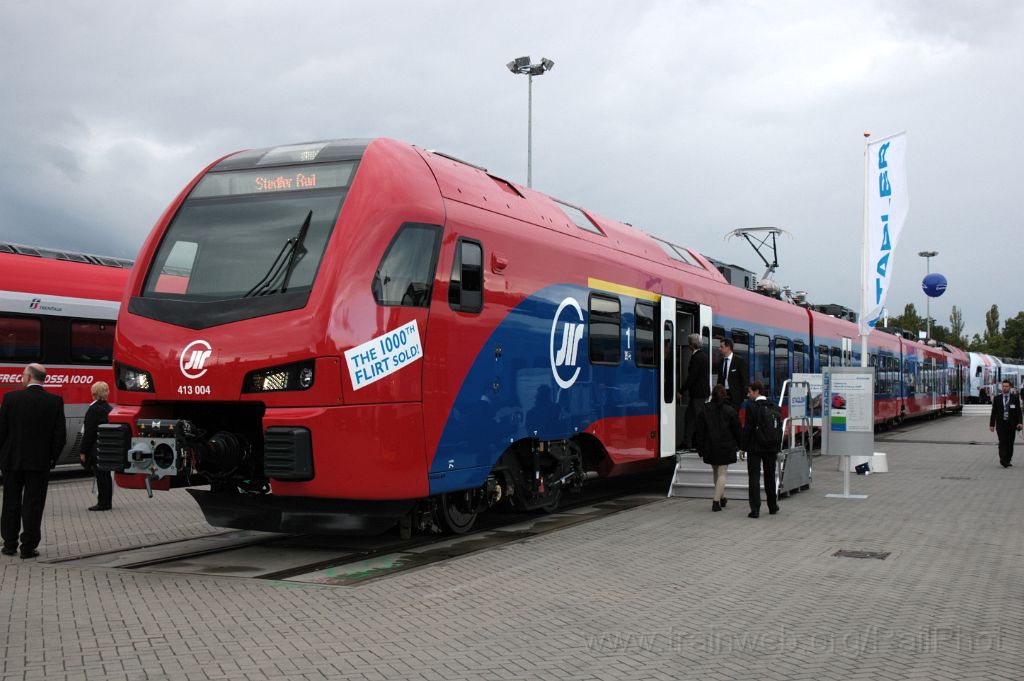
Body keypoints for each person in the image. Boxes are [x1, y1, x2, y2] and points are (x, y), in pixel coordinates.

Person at [0, 363, 67, 558]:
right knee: (34, 503)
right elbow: (59, 435)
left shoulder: (11, 398)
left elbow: (2, 430)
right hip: (39, 463)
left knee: (11, 501)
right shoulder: (55, 401)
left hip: (12, 461)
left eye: (22, 375)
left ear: (29, 377)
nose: (21, 378)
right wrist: (52, 458)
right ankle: (28, 547)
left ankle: (9, 544)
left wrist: (3, 455)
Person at [693, 384, 740, 511]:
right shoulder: (730, 410)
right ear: (725, 395)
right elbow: (737, 430)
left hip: (710, 447)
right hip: (725, 446)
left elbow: (700, 431)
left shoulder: (705, 409)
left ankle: (722, 497)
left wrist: (700, 448)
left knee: (715, 472)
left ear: (712, 395)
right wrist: (741, 445)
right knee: (722, 474)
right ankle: (716, 502)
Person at [740, 380, 779, 519]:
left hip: (755, 447)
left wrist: (742, 447)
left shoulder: (751, 407)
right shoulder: (774, 406)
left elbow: (748, 428)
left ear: (757, 392)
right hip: (771, 447)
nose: (748, 394)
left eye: (750, 392)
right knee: (770, 477)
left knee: (754, 478)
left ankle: (755, 509)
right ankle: (773, 506)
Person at [79, 381, 114, 510]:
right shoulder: (109, 408)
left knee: (100, 476)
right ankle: (108, 501)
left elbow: (89, 433)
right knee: (106, 475)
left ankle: (102, 503)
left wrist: (83, 451)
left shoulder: (93, 409)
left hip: (95, 447)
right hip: (106, 446)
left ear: (93, 393)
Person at [680, 334, 711, 449]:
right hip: (699, 394)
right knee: (690, 418)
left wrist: (681, 391)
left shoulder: (697, 357)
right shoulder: (703, 355)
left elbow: (692, 376)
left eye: (689, 344)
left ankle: (701, 443)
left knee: (697, 419)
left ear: (692, 345)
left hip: (698, 394)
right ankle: (687, 442)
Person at [989, 379, 1022, 468]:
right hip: (1001, 425)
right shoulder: (997, 398)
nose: (1004, 388)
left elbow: (1018, 411)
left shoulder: (1014, 398)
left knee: (1010, 443)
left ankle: (1008, 459)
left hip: (1011, 424)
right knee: (1002, 442)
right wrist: (992, 425)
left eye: (1006, 386)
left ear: (1010, 387)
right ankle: (1003, 459)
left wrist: (1020, 423)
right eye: (1003, 386)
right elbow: (994, 412)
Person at [717, 338, 749, 410]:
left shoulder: (739, 361)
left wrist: (742, 397)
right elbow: (719, 379)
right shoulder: (721, 362)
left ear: (728, 347)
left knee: (733, 418)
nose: (719, 349)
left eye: (722, 347)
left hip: (735, 398)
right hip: (723, 395)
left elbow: (744, 380)